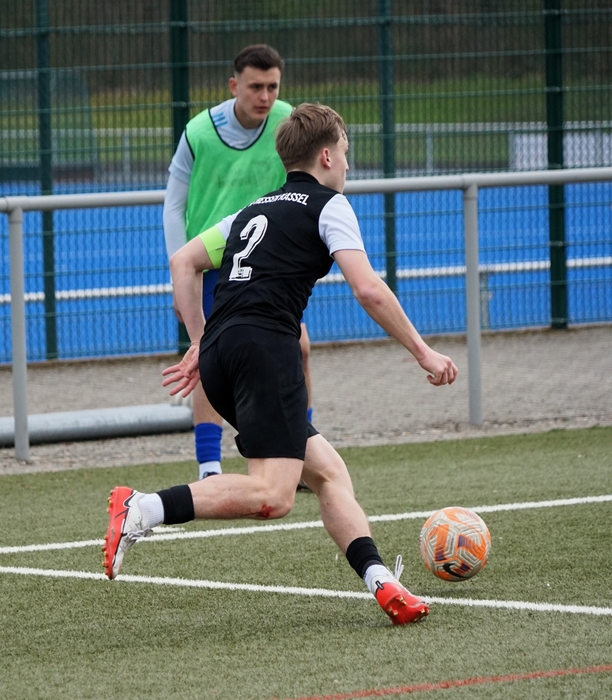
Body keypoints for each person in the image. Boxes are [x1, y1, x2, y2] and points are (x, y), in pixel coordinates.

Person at [105, 103, 459, 625]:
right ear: (326, 156)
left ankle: (383, 583)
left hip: (223, 354)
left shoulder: (253, 210)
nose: (348, 164)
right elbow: (367, 289)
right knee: (274, 496)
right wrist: (423, 351)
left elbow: (183, 261)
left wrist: (200, 340)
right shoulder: (330, 205)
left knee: (329, 474)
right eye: (345, 152)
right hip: (265, 350)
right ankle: (142, 507)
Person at [162, 44, 314, 481]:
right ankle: (209, 467)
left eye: (272, 87)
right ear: (234, 86)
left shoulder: (289, 122)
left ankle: (301, 454)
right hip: (213, 264)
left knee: (299, 347)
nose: (265, 96)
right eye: (255, 87)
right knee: (210, 357)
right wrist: (178, 271)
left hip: (269, 261)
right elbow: (173, 205)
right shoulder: (198, 132)